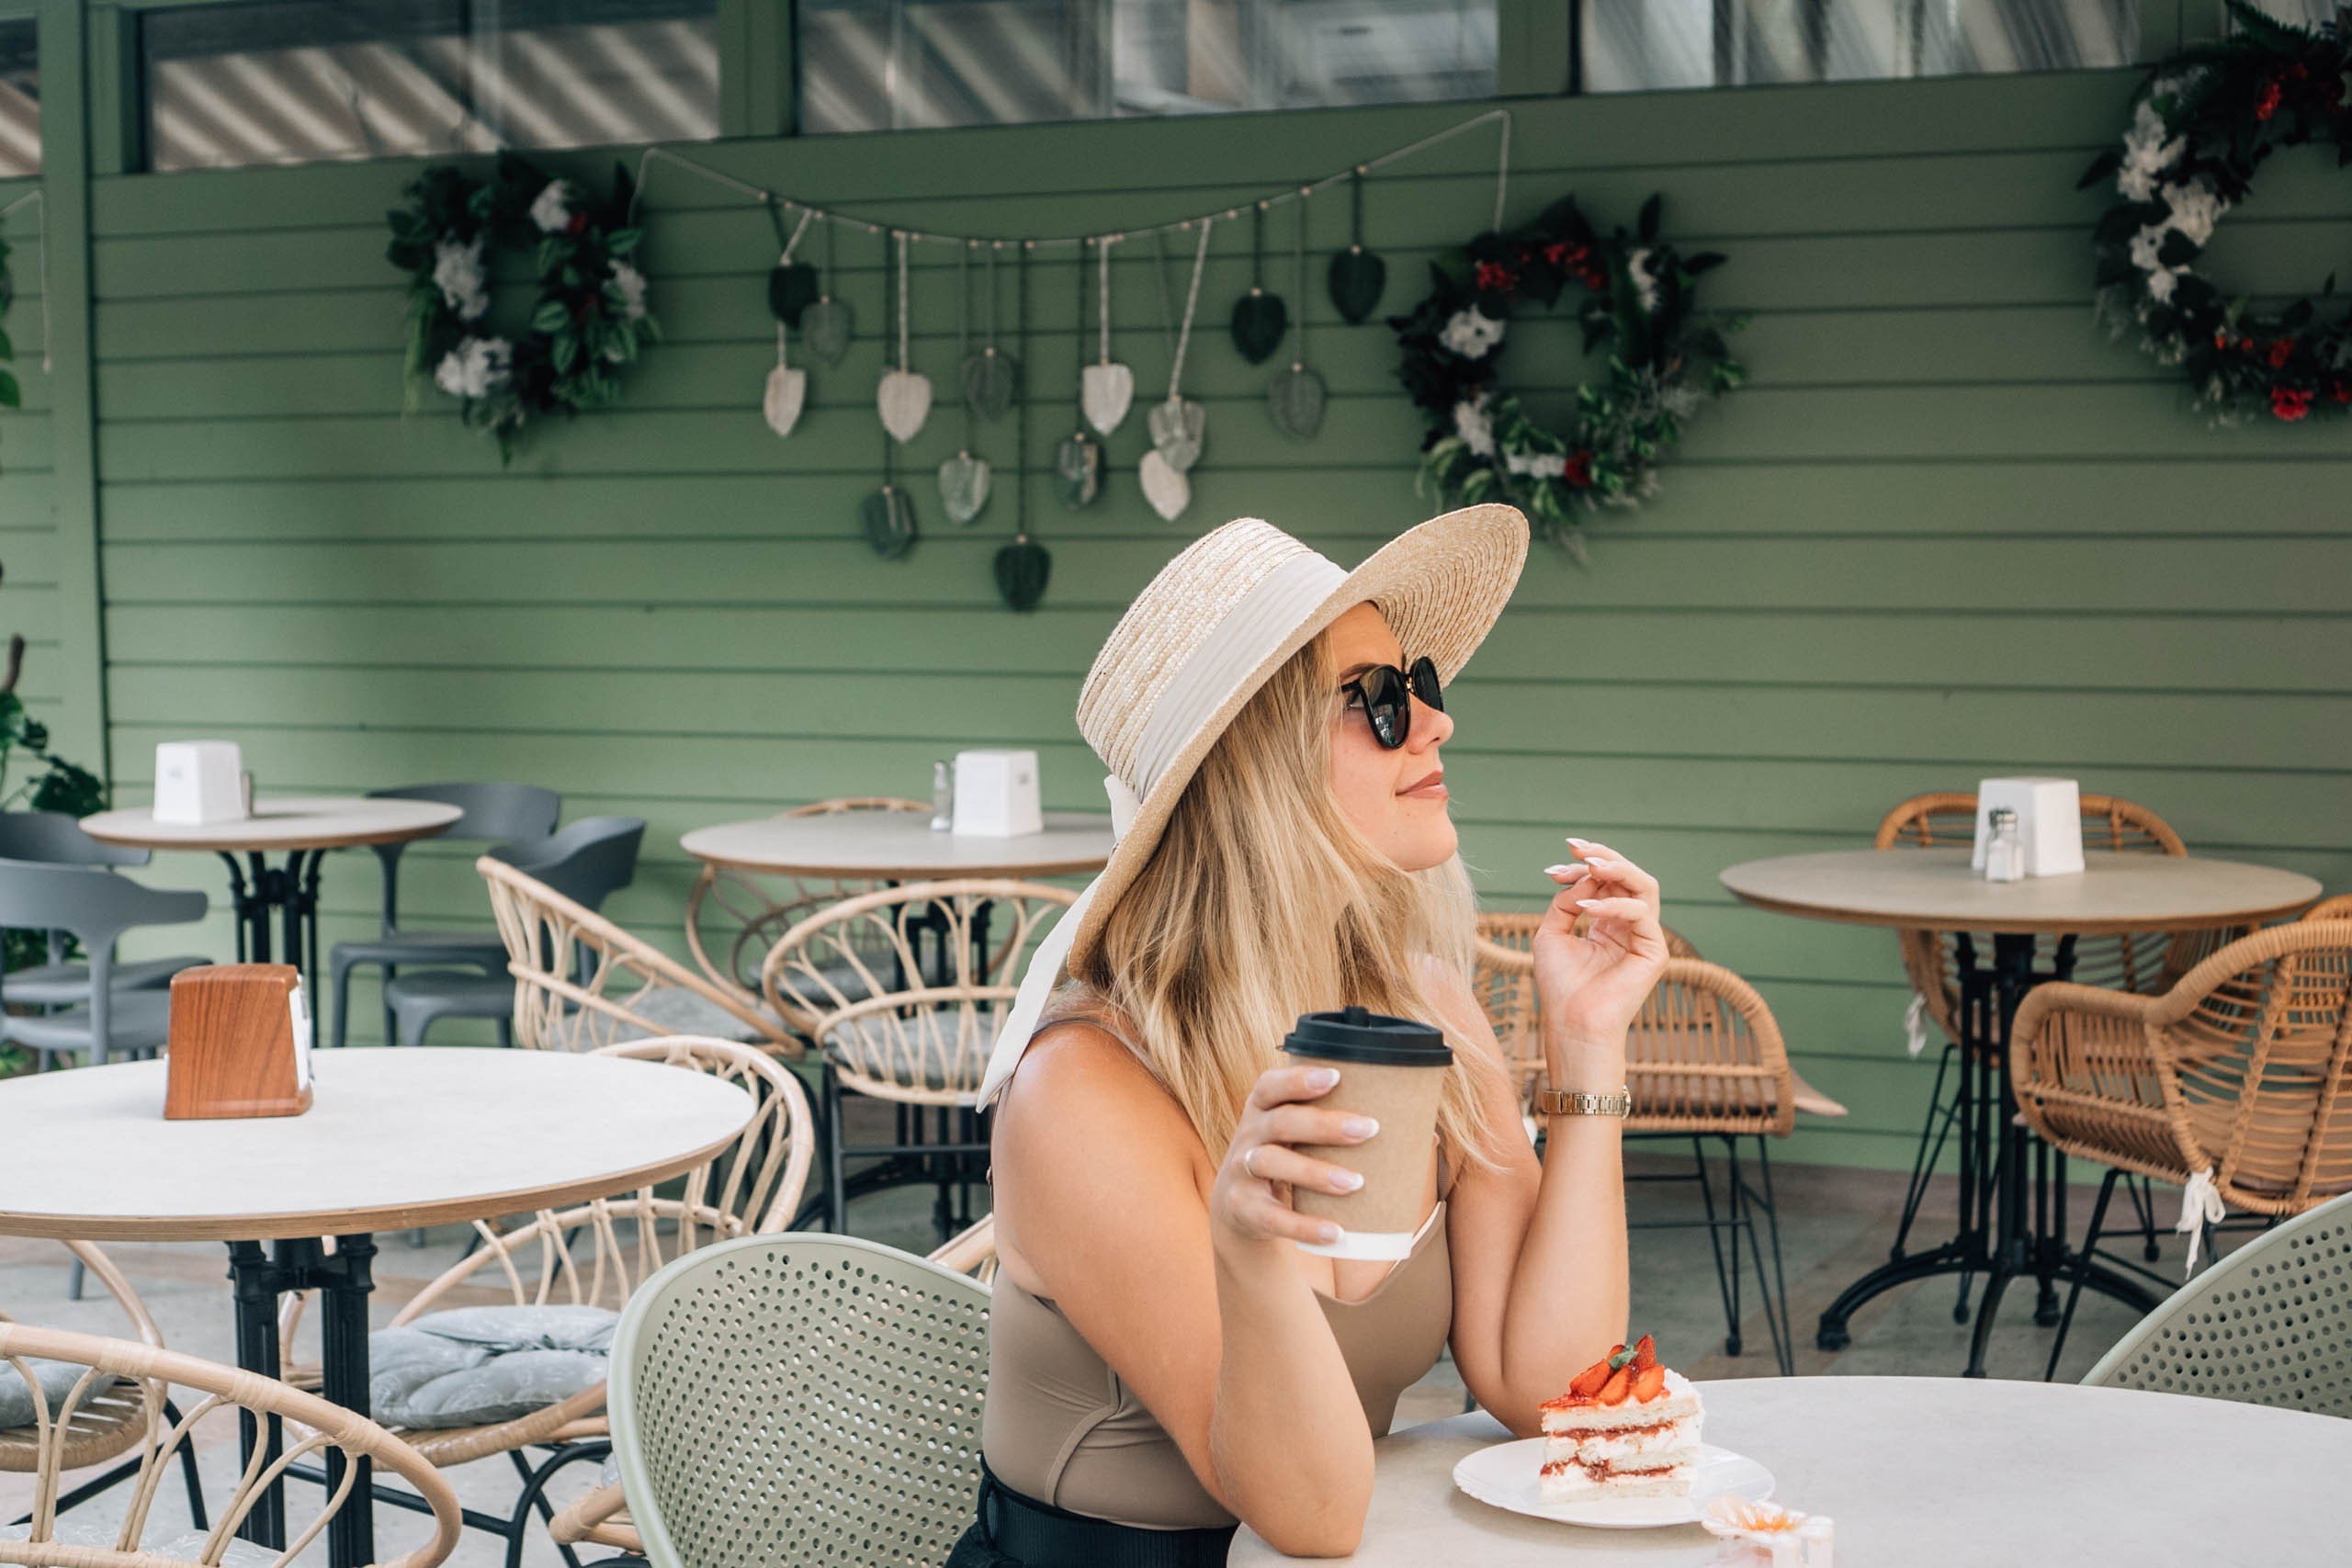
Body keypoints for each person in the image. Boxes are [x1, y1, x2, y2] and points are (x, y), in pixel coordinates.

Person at [953, 507, 1665, 1564]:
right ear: (1254, 768)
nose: (1435, 722)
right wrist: (1250, 1255)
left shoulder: (1420, 1010)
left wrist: (1585, 1045)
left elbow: (1551, 1389)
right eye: (1378, 698)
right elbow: (1310, 1513)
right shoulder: (1088, 1085)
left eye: (1420, 681)